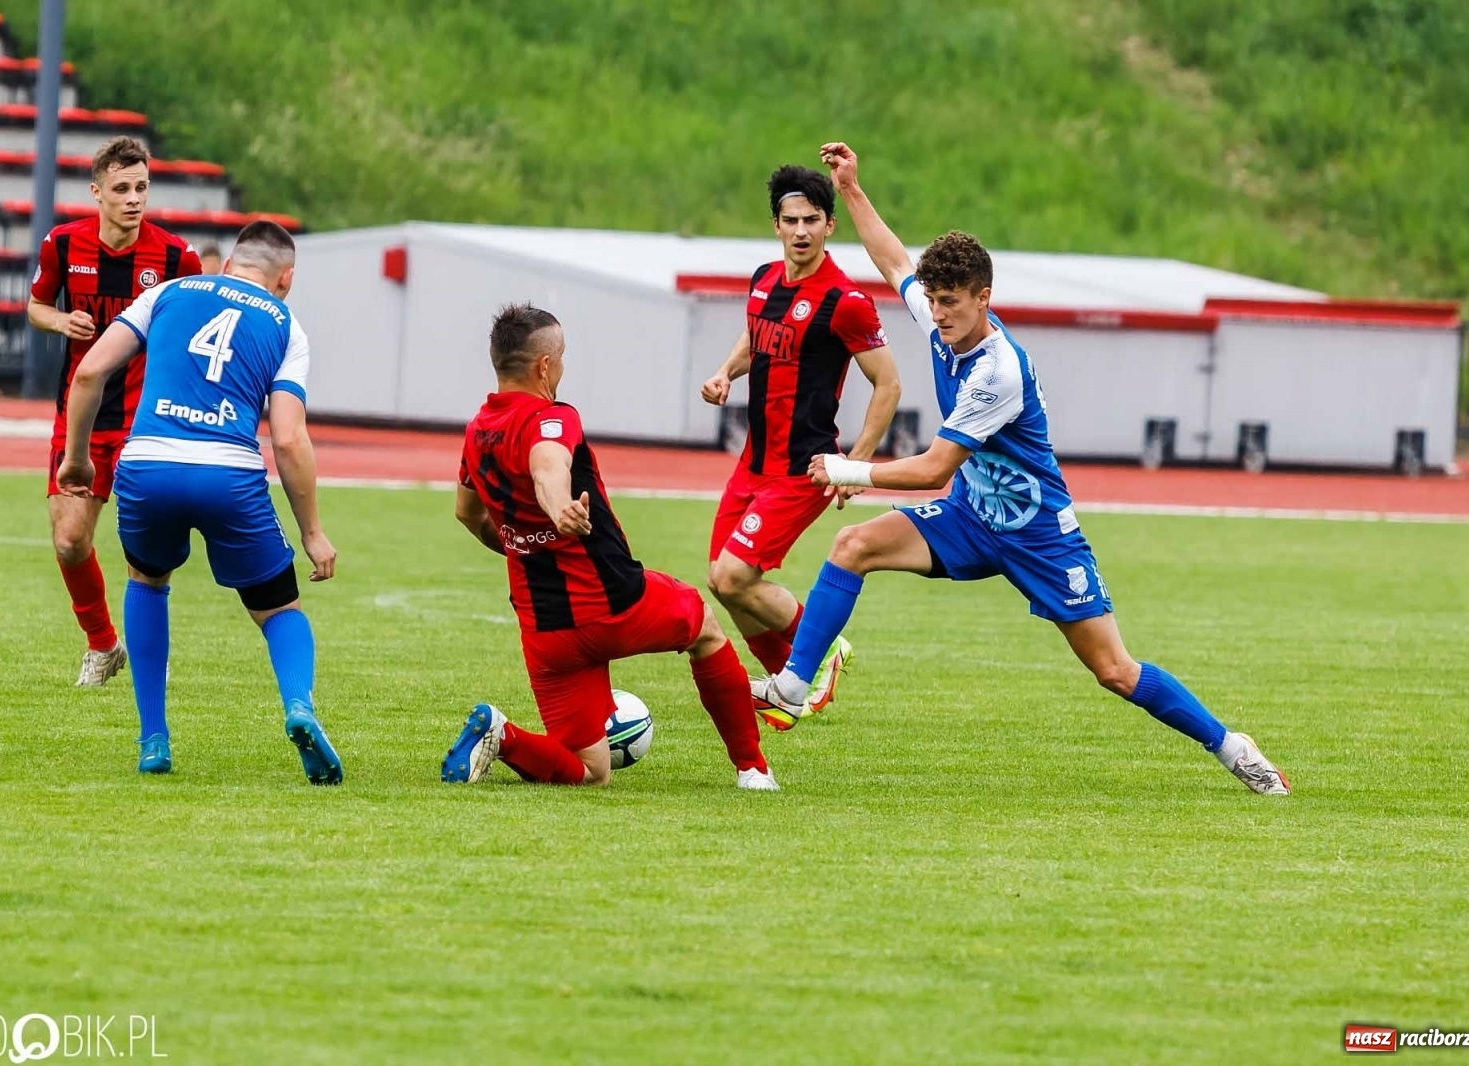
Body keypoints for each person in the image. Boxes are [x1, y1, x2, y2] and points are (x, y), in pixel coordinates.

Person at [749, 142, 1290, 795]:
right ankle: (793, 686)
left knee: (1115, 670)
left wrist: (850, 471)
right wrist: (854, 188)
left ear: (984, 298)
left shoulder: (996, 371)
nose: (937, 314)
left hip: (1038, 533)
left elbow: (934, 470)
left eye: (951, 302)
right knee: (853, 545)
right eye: (935, 301)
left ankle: (1232, 747)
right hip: (972, 518)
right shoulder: (944, 319)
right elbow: (893, 259)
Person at [444, 303, 778, 790]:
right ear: (543, 365)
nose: (562, 366)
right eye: (561, 357)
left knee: (590, 772)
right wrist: (558, 510)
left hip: (546, 632)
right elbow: (548, 466)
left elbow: (466, 513)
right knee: (703, 626)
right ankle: (753, 769)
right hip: (612, 604)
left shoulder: (477, 431)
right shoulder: (551, 418)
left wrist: (522, 544)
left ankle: (502, 734)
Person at [56, 221, 342, 784]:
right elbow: (287, 437)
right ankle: (299, 708)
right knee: (279, 609)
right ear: (286, 277)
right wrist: (312, 531)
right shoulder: (286, 326)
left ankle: (153, 739)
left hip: (147, 465)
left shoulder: (165, 292)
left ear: (231, 261)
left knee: (146, 580)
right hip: (228, 475)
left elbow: (89, 370)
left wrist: (78, 459)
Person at [699, 164, 900, 725]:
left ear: (830, 225)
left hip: (802, 468)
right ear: (776, 225)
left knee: (735, 576)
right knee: (724, 582)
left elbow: (889, 383)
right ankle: (789, 687)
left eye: (812, 219)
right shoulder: (763, 279)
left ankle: (822, 652)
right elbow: (755, 337)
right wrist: (724, 373)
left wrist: (855, 466)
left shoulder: (846, 300)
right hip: (752, 463)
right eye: (791, 221)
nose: (801, 230)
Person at [27, 136, 205, 686]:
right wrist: (60, 321)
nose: (133, 199)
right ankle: (104, 645)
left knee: (143, 550)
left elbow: (190, 334)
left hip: (145, 423)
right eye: (122, 189)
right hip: (79, 417)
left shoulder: (178, 258)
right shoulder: (62, 245)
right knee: (69, 539)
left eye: (142, 188)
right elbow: (35, 306)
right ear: (97, 191)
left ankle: (149, 651)